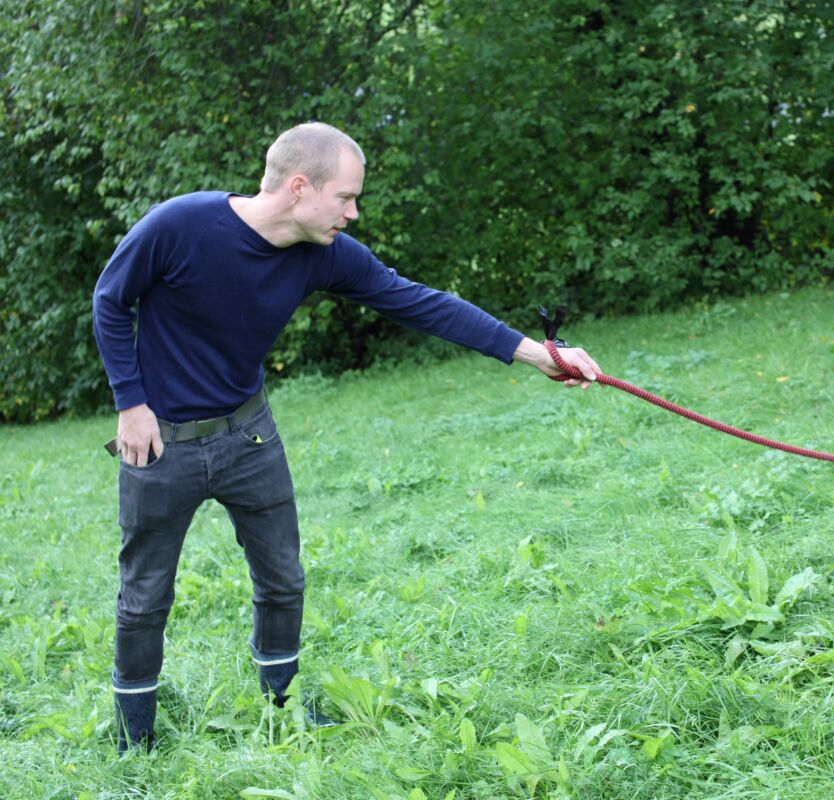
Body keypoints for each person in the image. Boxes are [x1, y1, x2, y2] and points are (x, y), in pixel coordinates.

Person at [92, 121, 601, 753]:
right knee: (144, 596)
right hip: (160, 443)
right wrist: (130, 403)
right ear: (300, 187)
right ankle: (132, 744)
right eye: (346, 197)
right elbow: (112, 299)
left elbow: (420, 301)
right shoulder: (181, 225)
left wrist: (539, 354)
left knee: (283, 580)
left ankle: (281, 707)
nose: (353, 214)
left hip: (249, 436)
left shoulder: (323, 253)